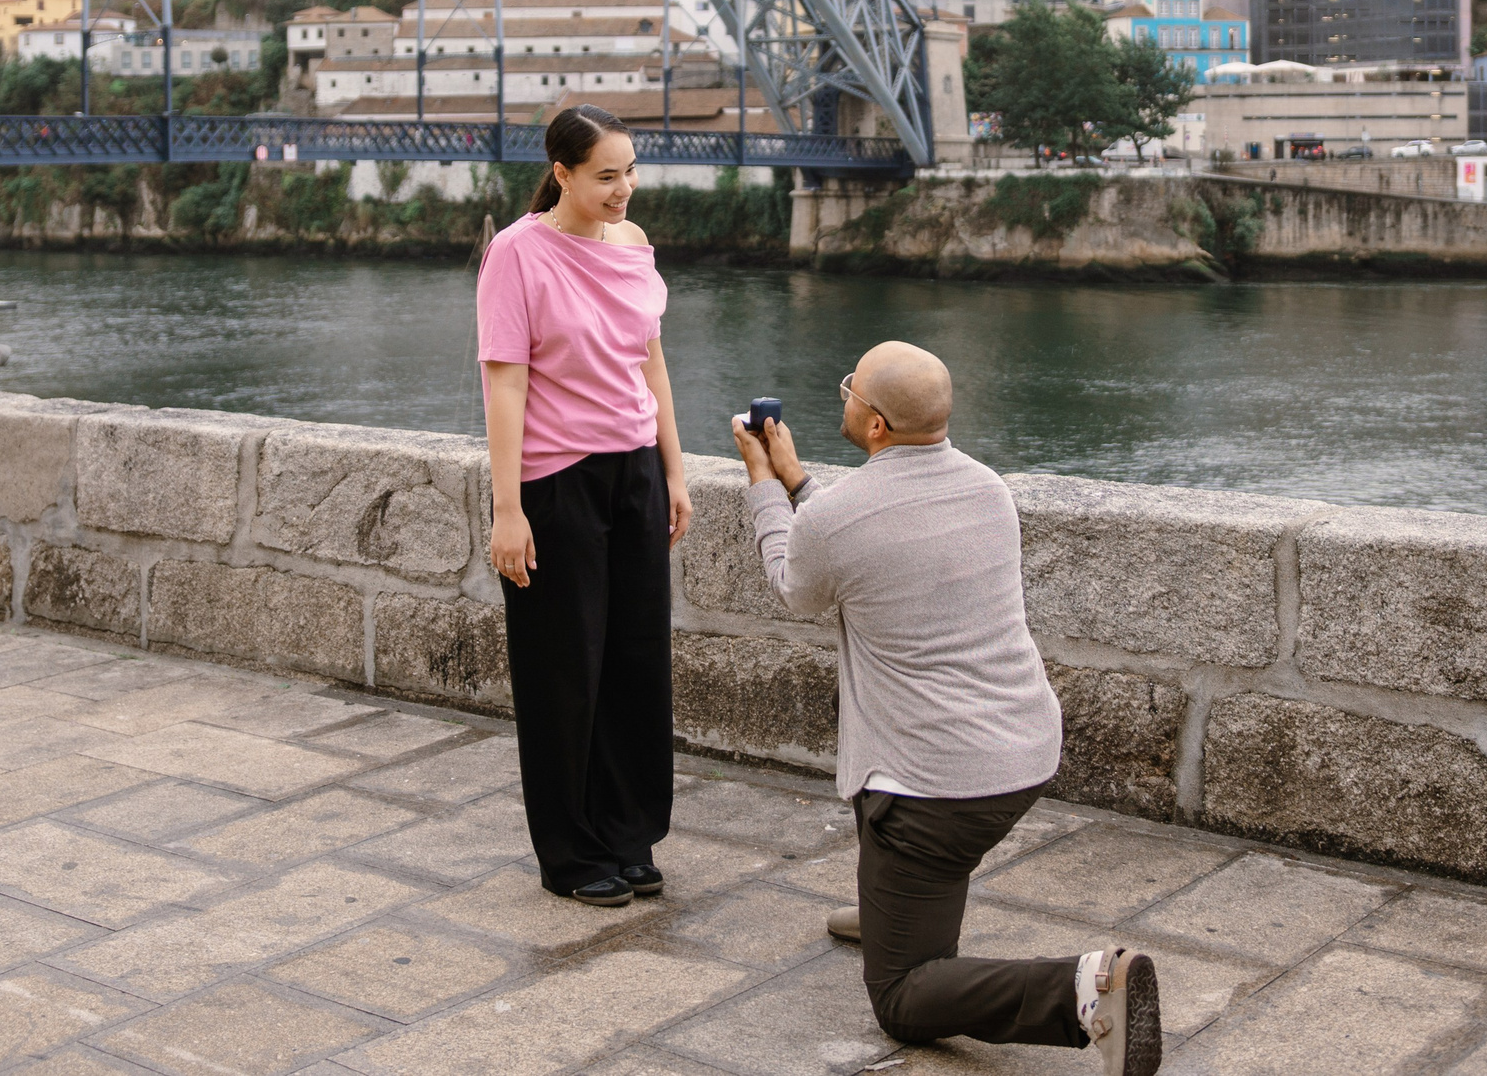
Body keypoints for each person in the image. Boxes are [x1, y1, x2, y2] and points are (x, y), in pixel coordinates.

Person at [732, 342, 1158, 1075]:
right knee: (899, 779)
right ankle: (888, 906)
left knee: (900, 994)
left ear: (874, 427)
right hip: (1021, 752)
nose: (843, 398)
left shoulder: (840, 518)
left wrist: (763, 485)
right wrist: (800, 479)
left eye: (849, 392)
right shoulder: (987, 489)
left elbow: (796, 580)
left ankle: (1088, 989)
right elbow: (871, 536)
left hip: (936, 790)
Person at [477, 104, 693, 907]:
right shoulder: (516, 253)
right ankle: (569, 852)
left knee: (636, 660)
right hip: (553, 480)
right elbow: (505, 379)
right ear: (562, 172)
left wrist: (673, 471)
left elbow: (653, 366)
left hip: (633, 470)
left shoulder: (634, 247)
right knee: (563, 668)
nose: (624, 188)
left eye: (630, 170)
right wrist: (508, 508)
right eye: (606, 174)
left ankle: (626, 831)